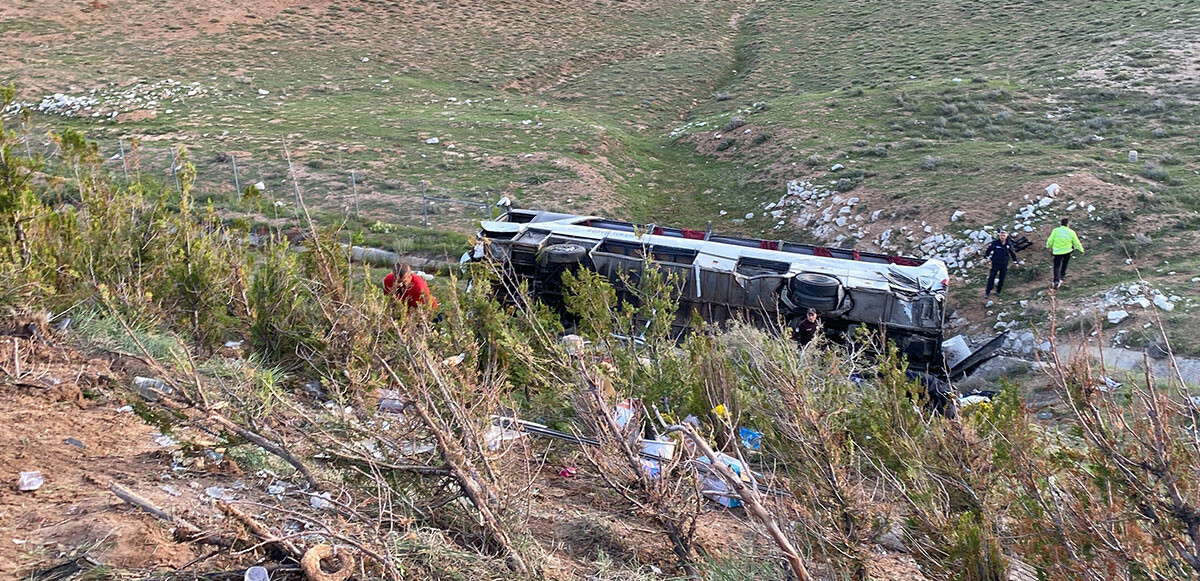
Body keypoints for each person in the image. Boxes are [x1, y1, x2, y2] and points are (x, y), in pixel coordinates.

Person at [1046, 218, 1084, 289]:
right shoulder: (1071, 232)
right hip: (1067, 251)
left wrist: (1048, 246)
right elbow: (1076, 242)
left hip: (1057, 251)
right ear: (1068, 224)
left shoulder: (1055, 231)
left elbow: (1050, 239)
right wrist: (1081, 250)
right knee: (1065, 263)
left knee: (1056, 266)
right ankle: (1062, 276)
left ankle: (1056, 280)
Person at [983, 231, 1019, 298]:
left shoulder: (1008, 244)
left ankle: (998, 291)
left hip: (1004, 264)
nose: (1002, 237)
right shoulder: (995, 243)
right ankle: (987, 292)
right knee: (992, 277)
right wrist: (986, 258)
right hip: (995, 263)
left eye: (1003, 235)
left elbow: (1012, 253)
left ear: (1006, 236)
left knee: (1002, 278)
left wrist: (1015, 262)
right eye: (1001, 235)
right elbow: (988, 250)